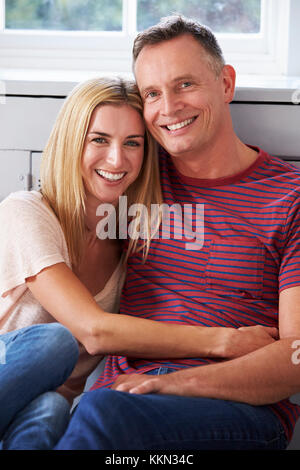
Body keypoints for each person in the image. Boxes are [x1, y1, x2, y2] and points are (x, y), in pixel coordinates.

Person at [55, 16, 300, 451]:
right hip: (121, 399)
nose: (167, 108)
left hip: (237, 412)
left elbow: (296, 357)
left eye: (185, 84)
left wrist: (177, 385)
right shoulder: (136, 173)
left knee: (101, 415)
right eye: (151, 93)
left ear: (225, 83)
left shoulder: (290, 198)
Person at [0, 76, 240, 450]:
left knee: (51, 408)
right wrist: (226, 341)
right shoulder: (26, 211)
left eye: (132, 143)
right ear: (71, 142)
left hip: (48, 411)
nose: (116, 159)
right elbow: (93, 331)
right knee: (55, 343)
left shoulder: (134, 242)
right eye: (99, 139)